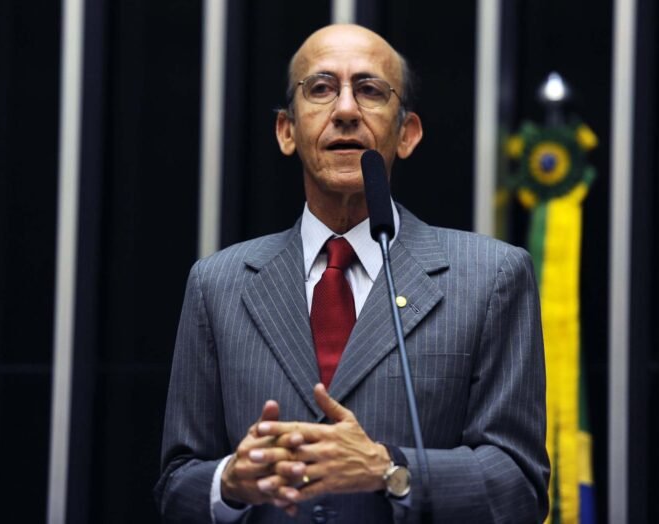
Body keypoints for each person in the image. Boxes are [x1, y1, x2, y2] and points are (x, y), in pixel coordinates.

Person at [154, 24, 549, 523]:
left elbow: (519, 487)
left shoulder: (491, 277)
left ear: (407, 134)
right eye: (321, 89)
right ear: (286, 131)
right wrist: (229, 483)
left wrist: (388, 469)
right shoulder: (218, 285)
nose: (344, 110)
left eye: (369, 90)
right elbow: (176, 487)